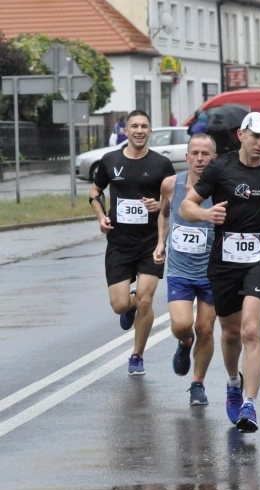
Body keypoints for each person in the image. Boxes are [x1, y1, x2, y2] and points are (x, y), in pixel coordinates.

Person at [179, 112, 260, 434]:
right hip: (224, 260)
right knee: (231, 333)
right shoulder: (221, 168)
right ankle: (234, 381)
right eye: (256, 136)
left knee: (250, 330)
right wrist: (206, 214)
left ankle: (250, 404)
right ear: (242, 134)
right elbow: (185, 207)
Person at [89, 110, 176, 375]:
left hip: (150, 242)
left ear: (150, 132)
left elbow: (172, 201)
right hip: (119, 242)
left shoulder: (162, 164)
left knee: (146, 300)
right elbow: (95, 192)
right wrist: (101, 216)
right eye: (134, 126)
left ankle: (137, 355)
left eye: (144, 126)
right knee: (120, 305)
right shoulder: (110, 160)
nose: (139, 130)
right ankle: (128, 307)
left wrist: (159, 204)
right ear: (125, 131)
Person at [153, 134, 218, 405]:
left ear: (213, 158)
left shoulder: (221, 186)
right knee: (182, 325)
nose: (200, 158)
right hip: (180, 269)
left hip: (212, 272)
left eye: (206, 154)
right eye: (195, 153)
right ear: (187, 156)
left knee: (205, 328)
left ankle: (198, 384)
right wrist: (160, 243)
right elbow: (165, 213)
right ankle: (183, 343)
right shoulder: (171, 184)